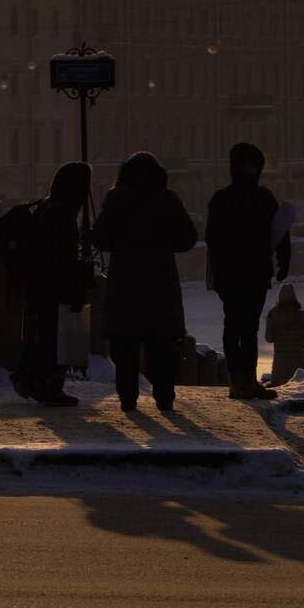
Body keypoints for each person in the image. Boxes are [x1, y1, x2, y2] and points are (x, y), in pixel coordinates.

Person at [90, 151, 197, 413]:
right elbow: (188, 239)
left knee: (125, 345)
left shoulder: (116, 199)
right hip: (160, 283)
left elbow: (100, 239)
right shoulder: (167, 199)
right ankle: (164, 398)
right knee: (161, 345)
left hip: (125, 283)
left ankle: (128, 399)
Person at [0, 162, 93, 407]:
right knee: (53, 338)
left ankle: (31, 380)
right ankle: (46, 387)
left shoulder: (46, 206)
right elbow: (60, 256)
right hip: (54, 286)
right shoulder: (62, 214)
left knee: (43, 336)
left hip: (40, 284)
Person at [205, 142, 292, 400]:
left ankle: (245, 380)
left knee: (245, 327)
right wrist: (282, 261)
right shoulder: (254, 198)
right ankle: (239, 380)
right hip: (242, 273)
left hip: (246, 274)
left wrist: (283, 261)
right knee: (238, 327)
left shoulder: (232, 198)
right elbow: (278, 233)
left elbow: (279, 234)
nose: (250, 170)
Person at [265, 283, 304, 385]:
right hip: (298, 360)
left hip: (280, 361)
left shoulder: (273, 313)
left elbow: (269, 338)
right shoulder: (301, 315)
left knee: (280, 387)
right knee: (298, 386)